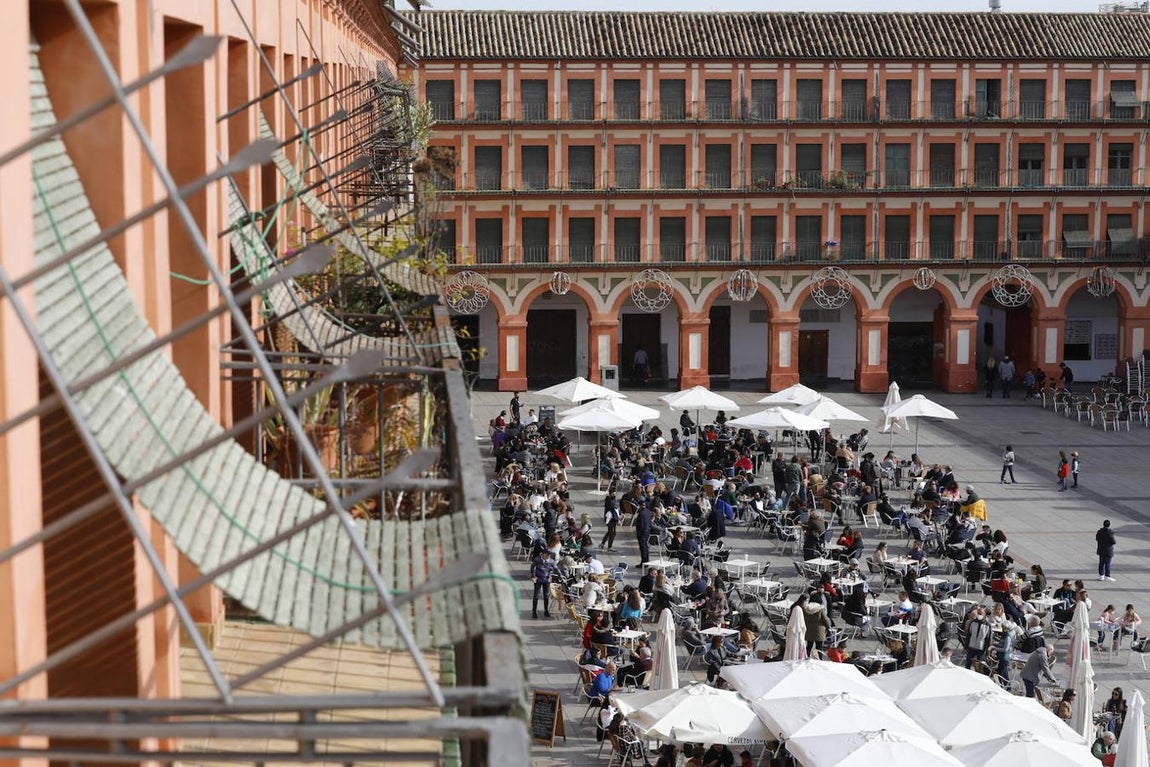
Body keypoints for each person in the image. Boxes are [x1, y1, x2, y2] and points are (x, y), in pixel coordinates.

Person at [530, 549, 557, 619]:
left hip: (547, 580)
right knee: (536, 595)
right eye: (547, 555)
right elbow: (532, 567)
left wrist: (560, 575)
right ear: (543, 554)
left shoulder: (551, 561)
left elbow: (556, 568)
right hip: (538, 579)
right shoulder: (538, 559)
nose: (548, 556)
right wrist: (533, 576)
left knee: (546, 595)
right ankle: (534, 611)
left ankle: (546, 610)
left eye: (549, 555)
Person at [635, 501, 652, 566]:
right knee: (645, 547)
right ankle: (646, 561)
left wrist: (638, 534)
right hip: (647, 531)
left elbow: (641, 525)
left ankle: (644, 562)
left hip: (642, 533)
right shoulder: (647, 511)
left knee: (643, 548)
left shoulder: (641, 514)